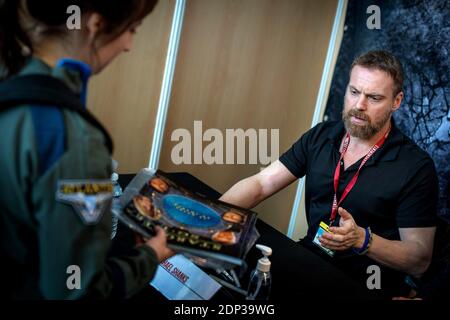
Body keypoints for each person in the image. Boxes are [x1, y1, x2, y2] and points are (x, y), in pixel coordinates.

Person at [220, 50, 439, 296]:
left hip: (367, 283)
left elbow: (419, 259)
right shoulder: (322, 135)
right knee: (235, 281)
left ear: (396, 101)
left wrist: (362, 240)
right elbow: (261, 183)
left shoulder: (416, 167)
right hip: (310, 258)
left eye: (374, 98)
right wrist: (207, 218)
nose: (359, 105)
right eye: (354, 92)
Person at [0, 0, 173, 299]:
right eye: (132, 29)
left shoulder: (10, 82)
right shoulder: (74, 140)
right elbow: (76, 291)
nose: (129, 45)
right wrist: (150, 256)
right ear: (94, 25)